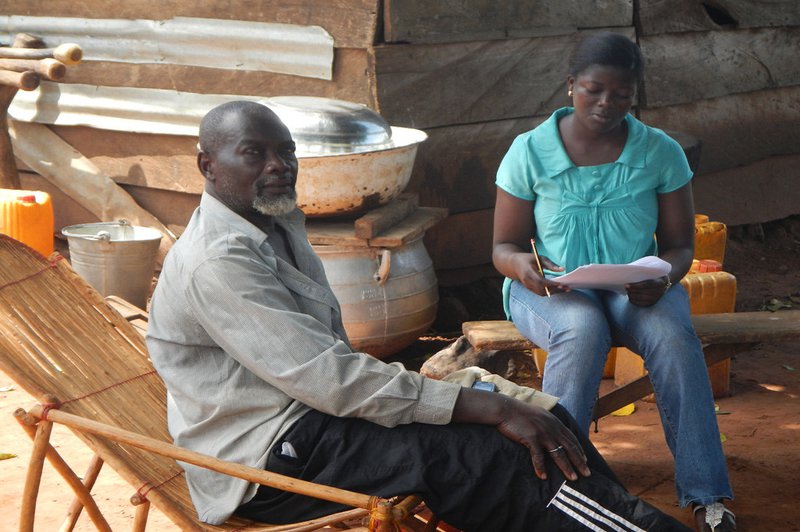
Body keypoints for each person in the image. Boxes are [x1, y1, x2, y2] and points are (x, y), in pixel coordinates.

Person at [146, 99, 690, 531]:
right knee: (481, 452)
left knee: (544, 414)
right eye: (254, 153)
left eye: (285, 152)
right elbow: (330, 380)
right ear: (208, 166)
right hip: (267, 462)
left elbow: (329, 374)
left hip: (314, 417)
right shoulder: (217, 261)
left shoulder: (275, 220)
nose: (278, 166)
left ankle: (621, 519)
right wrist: (479, 407)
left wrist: (491, 405)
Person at [491, 32, 735, 532]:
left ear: (634, 94)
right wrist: (524, 269)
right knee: (581, 329)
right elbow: (504, 247)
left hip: (635, 291)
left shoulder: (659, 152)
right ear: (570, 86)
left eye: (621, 94)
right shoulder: (530, 152)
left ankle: (707, 495)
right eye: (593, 90)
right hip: (550, 292)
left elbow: (679, 245)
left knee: (672, 336)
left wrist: (663, 279)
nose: (606, 103)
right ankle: (556, 492)